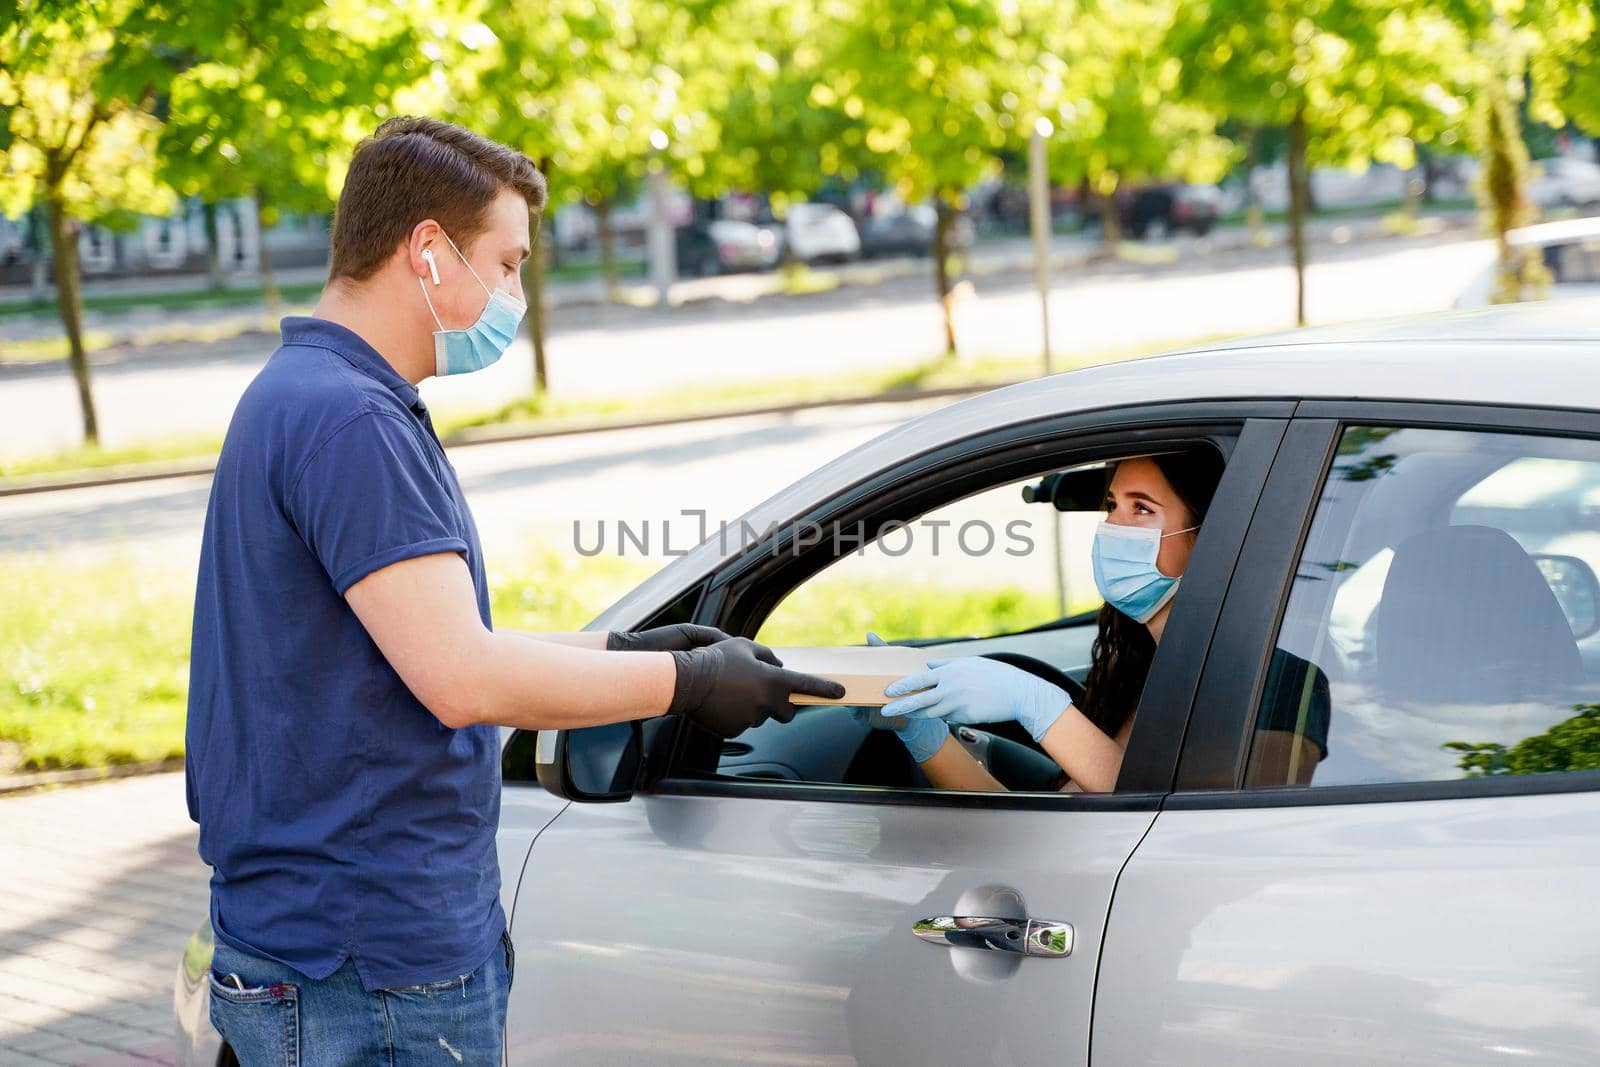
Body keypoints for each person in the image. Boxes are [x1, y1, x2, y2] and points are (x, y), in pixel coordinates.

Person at [185, 116, 843, 1066]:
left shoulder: (303, 394)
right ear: (426, 251)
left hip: (327, 935)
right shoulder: (353, 422)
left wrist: (629, 652)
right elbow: (464, 679)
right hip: (370, 957)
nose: (516, 293)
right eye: (507, 261)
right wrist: (688, 687)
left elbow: (421, 645)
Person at [865, 450, 1328, 793]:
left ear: (1207, 539)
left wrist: (1039, 704)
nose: (1114, 526)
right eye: (1112, 505)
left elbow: (1194, 821)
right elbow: (1054, 832)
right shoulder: (1137, 672)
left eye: (1141, 508)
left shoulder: (1284, 684)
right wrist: (926, 739)